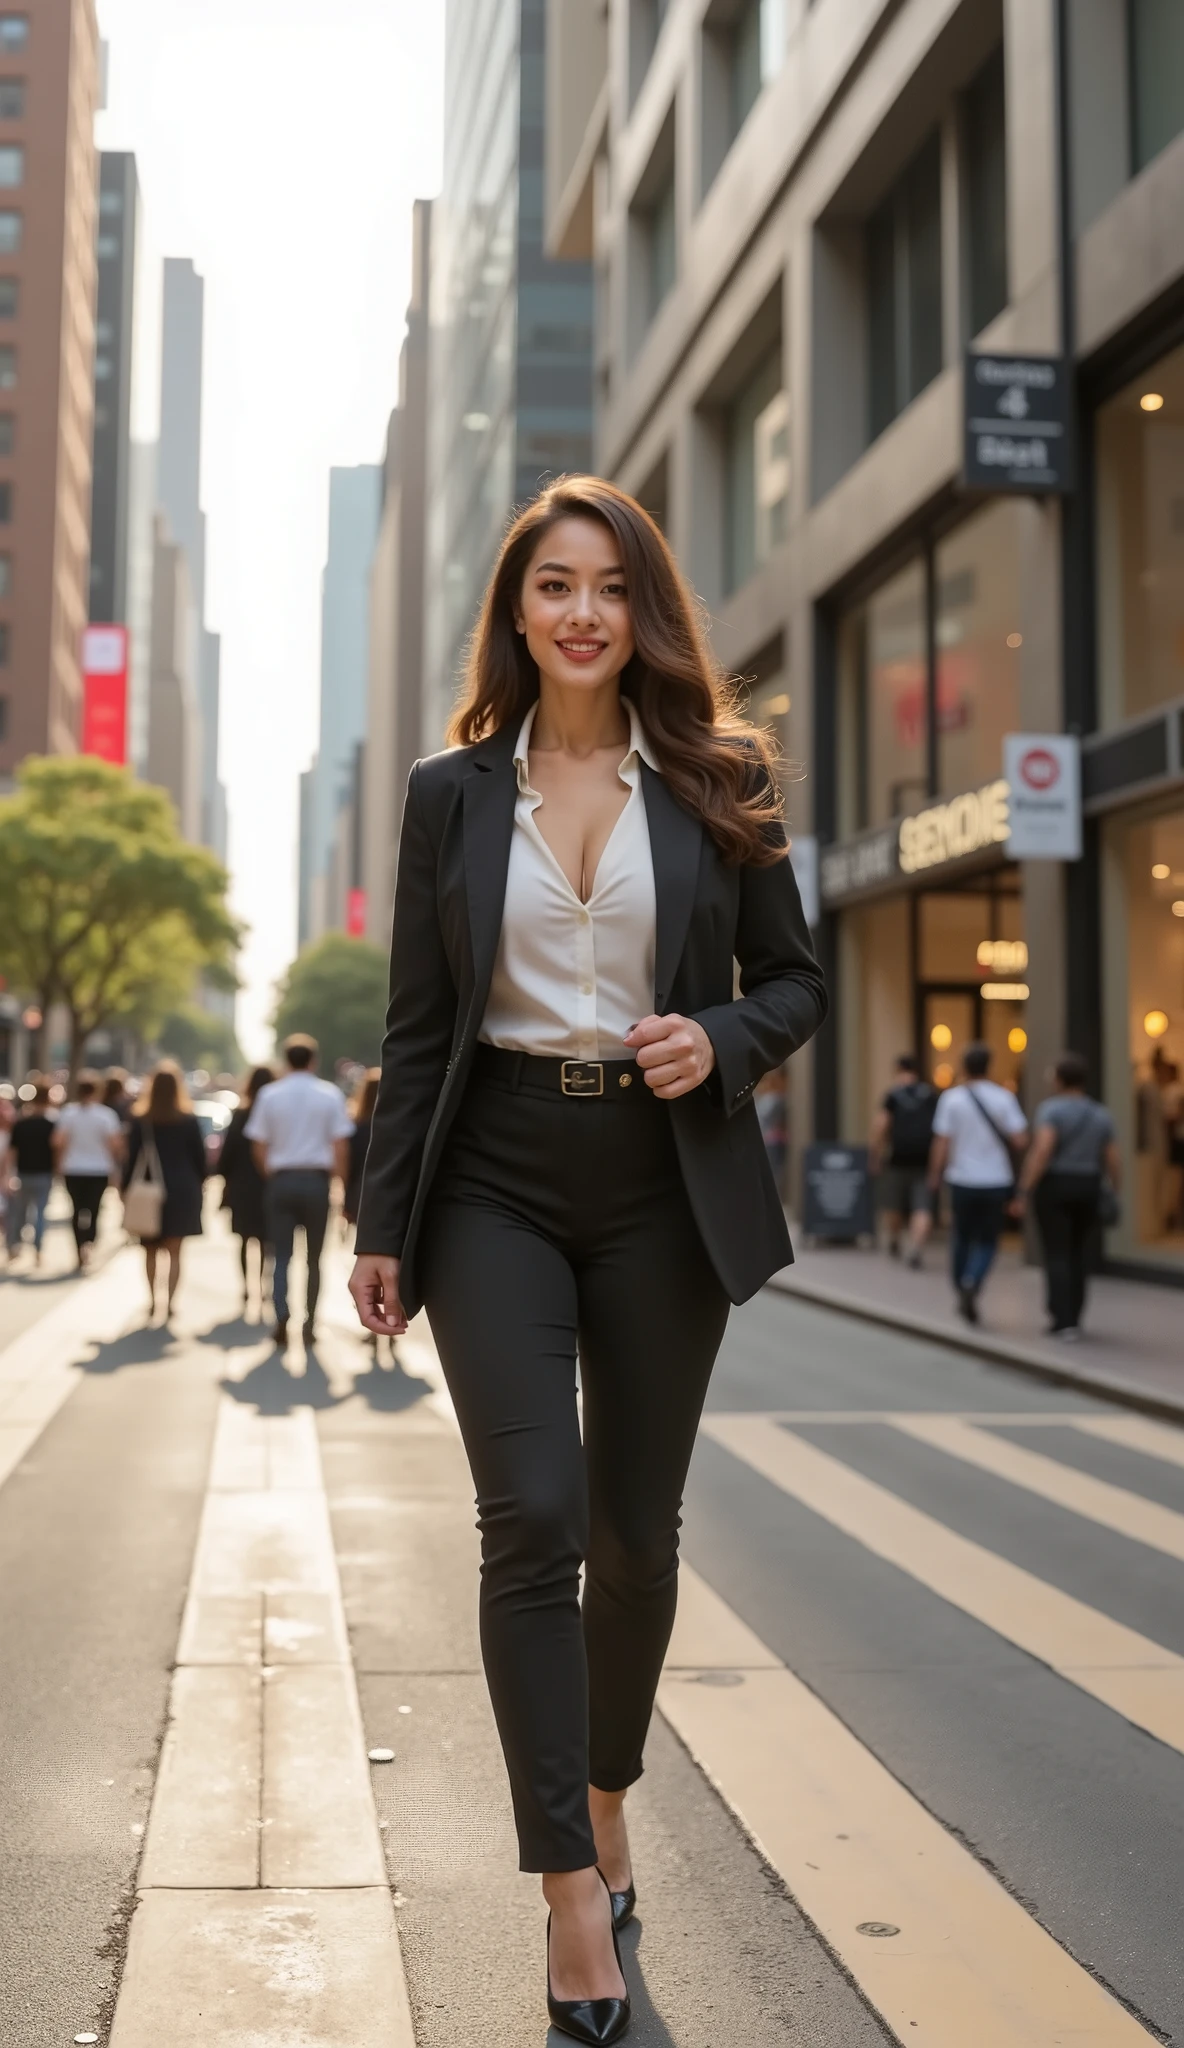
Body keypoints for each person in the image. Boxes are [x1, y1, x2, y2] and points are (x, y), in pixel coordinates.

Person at [348, 476, 826, 2044]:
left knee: (632, 1537)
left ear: (644, 612)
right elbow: (421, 1031)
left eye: (609, 587)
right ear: (518, 609)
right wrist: (377, 1220)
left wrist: (726, 1035)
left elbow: (797, 978)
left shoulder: (716, 774)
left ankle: (607, 1799)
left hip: (659, 1182)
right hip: (491, 1175)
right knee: (532, 1517)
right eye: (552, 584)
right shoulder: (448, 791)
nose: (580, 612)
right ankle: (570, 1891)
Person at [246, 1034, 353, 1348]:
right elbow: (341, 1147)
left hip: (281, 1179)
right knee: (315, 1259)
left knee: (280, 1256)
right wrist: (340, 1184)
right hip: (317, 1182)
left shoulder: (269, 1095)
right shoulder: (329, 1094)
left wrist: (273, 1175)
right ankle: (310, 1322)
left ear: (285, 1059)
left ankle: (281, 1315)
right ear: (313, 1060)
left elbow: (259, 1145)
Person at [1018, 1051, 1121, 1338]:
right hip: (1088, 1185)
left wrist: (1025, 1187)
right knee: (1078, 1253)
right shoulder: (1101, 1113)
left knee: (1057, 1253)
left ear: (1060, 1080)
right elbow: (1113, 1157)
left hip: (1057, 1186)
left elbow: (1042, 1151)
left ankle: (1061, 1318)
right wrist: (1114, 1188)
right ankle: (1075, 1315)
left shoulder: (1052, 1110)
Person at [928, 1041, 1027, 1325]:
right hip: (996, 1180)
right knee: (987, 1239)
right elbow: (1020, 1139)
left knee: (961, 1235)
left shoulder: (952, 1099)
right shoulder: (1003, 1098)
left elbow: (942, 1142)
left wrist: (934, 1175)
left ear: (964, 1066)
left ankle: (962, 1285)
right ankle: (974, 1279)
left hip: (962, 1179)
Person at [123, 1062, 207, 1321]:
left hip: (148, 1190)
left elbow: (131, 1160)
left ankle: (152, 1300)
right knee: (175, 1251)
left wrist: (125, 1190)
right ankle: (170, 1302)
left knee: (149, 1250)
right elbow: (201, 1161)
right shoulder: (189, 1120)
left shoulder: (142, 1120)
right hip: (183, 1190)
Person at [870, 1053, 938, 1267]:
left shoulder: (893, 1095)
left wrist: (875, 1154)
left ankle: (895, 1239)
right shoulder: (930, 1095)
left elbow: (881, 1125)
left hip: (898, 1158)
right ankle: (916, 1248)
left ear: (898, 1070)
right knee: (923, 1206)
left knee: (894, 1203)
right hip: (924, 1159)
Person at [218, 1065, 275, 1316]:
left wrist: (224, 1180)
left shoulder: (241, 1114)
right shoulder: (274, 1115)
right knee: (265, 1240)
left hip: (242, 1185)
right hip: (268, 1183)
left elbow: (227, 1154)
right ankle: (263, 1285)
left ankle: (246, 1287)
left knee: (243, 1240)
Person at [52, 1073, 123, 1269]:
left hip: (73, 1168)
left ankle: (79, 1248)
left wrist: (58, 1165)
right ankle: (89, 1242)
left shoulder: (68, 1113)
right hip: (98, 1169)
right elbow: (115, 1145)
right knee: (94, 1210)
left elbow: (58, 1142)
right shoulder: (105, 1115)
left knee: (76, 1210)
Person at [4, 1081, 56, 1266]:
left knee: (19, 1212)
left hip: (24, 1173)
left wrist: (8, 1175)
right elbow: (57, 1151)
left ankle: (14, 1246)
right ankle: (38, 1249)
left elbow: (11, 1152)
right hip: (44, 1174)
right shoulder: (52, 1124)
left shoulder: (22, 1124)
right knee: (40, 1213)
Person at [343, 1067, 380, 1232]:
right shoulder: (399, 1129)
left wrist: (345, 1201)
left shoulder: (355, 1129)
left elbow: (349, 1166)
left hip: (360, 1192)